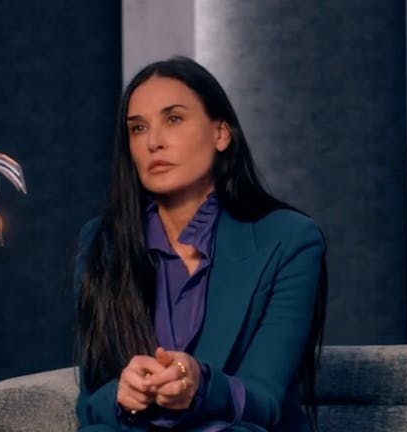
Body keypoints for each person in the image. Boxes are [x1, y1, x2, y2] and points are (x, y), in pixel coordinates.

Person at [72, 56, 328, 431]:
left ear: (221, 133)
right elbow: (89, 404)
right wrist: (121, 396)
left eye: (173, 119)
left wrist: (201, 383)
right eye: (138, 128)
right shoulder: (103, 243)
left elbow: (267, 402)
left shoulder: (290, 241)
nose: (154, 142)